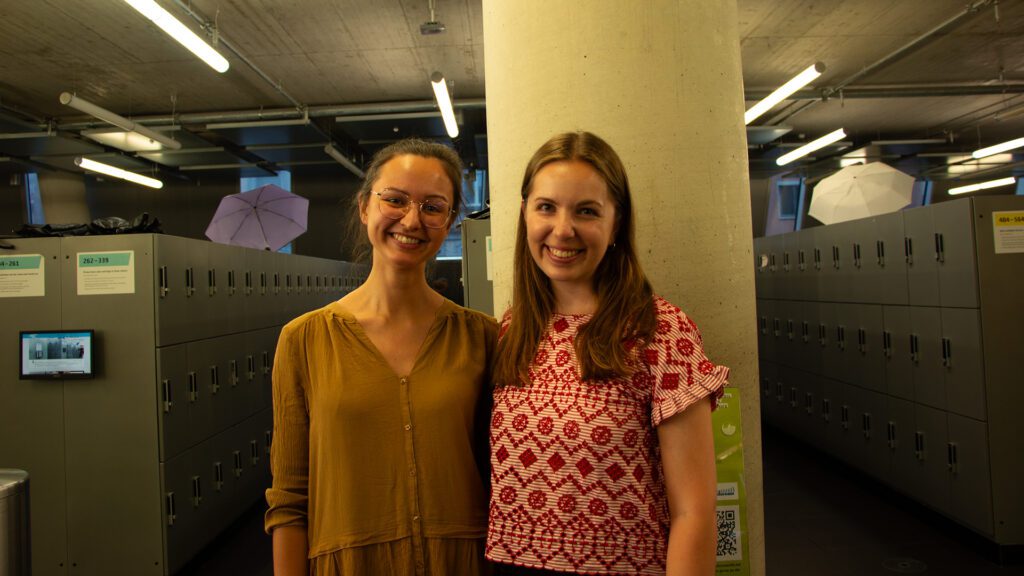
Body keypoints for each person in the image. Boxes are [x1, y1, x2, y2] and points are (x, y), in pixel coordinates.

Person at [487, 132, 729, 575]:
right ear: (524, 214)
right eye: (546, 207)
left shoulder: (660, 331)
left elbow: (694, 513)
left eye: (586, 211)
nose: (563, 230)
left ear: (616, 223)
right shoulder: (510, 329)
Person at [265, 139, 497, 576]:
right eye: (394, 200)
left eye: (433, 207)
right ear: (365, 207)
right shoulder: (305, 340)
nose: (412, 219)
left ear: (449, 222)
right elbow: (289, 499)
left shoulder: (480, 337)